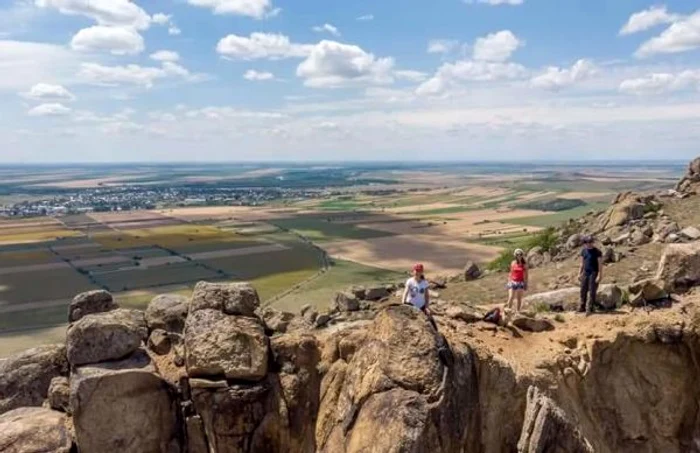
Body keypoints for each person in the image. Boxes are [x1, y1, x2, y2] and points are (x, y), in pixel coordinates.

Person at [579, 235, 603, 315]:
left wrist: (600, 275)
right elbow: (582, 263)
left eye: (590, 242)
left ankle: (590, 308)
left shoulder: (597, 252)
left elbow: (600, 265)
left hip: (594, 272)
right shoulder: (583, 251)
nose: (589, 244)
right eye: (587, 242)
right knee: (583, 289)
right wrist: (579, 273)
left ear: (593, 242)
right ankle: (582, 306)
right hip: (586, 272)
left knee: (592, 290)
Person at [506, 249, 528, 313]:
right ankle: (508, 311)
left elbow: (526, 275)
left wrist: (526, 284)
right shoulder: (513, 263)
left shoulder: (524, 264)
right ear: (515, 255)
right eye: (517, 254)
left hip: (520, 282)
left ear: (522, 255)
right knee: (511, 297)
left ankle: (518, 312)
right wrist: (509, 280)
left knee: (519, 298)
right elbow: (511, 272)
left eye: (520, 254)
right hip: (513, 281)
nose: (519, 256)